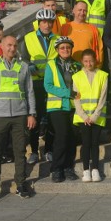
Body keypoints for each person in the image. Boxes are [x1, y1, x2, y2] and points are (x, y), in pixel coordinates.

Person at [0, 35, 37, 200]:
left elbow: (30, 92)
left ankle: (20, 184)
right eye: (9, 45)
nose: (12, 48)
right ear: (2, 47)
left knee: (20, 152)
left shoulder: (23, 67)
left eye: (15, 45)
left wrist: (32, 114)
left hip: (20, 115)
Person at [20, 8, 59, 165]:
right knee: (34, 117)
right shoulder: (28, 38)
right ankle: (34, 151)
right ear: (38, 23)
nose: (47, 25)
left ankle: (49, 150)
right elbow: (23, 58)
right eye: (44, 22)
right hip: (34, 83)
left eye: (50, 22)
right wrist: (28, 64)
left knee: (50, 118)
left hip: (51, 84)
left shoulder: (57, 39)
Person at [44, 36, 82, 183]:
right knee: (61, 137)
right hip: (57, 107)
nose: (65, 50)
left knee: (72, 137)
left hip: (73, 106)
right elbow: (48, 86)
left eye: (68, 47)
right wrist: (68, 93)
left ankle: (68, 167)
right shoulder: (51, 65)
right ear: (57, 50)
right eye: (62, 48)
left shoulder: (77, 65)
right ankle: (56, 168)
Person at [73, 48, 108, 182]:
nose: (88, 64)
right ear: (82, 62)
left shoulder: (103, 76)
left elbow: (103, 98)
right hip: (83, 117)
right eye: (86, 61)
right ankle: (86, 170)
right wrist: (83, 116)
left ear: (95, 61)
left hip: (96, 117)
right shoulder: (76, 77)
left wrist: (94, 116)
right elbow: (76, 98)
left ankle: (95, 169)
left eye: (91, 61)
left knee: (95, 143)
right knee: (86, 143)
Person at [61, 0, 104, 66]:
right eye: (80, 10)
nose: (82, 13)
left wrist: (97, 67)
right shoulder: (65, 28)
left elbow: (99, 50)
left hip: (88, 68)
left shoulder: (93, 29)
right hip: (68, 67)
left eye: (85, 10)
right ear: (73, 11)